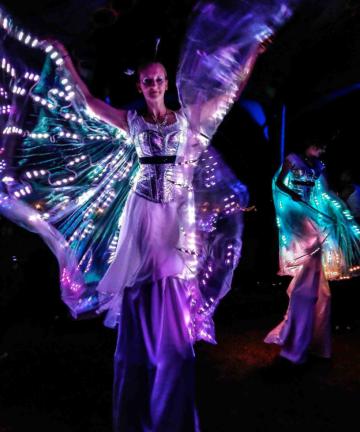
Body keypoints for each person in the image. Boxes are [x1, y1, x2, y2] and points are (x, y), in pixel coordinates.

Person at [265, 139, 360, 364]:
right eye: (320, 145)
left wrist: (338, 213)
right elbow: (278, 183)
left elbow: (325, 194)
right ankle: (301, 323)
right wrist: (292, 194)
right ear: (308, 143)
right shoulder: (293, 159)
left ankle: (309, 330)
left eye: (324, 147)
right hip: (295, 212)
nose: (322, 149)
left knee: (318, 275)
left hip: (310, 212)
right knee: (312, 249)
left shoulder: (318, 167)